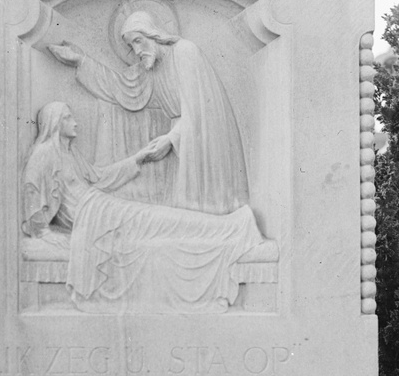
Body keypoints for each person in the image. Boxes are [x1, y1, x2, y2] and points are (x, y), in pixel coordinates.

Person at [21, 101, 262, 313]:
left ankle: (231, 226)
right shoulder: (44, 154)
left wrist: (139, 157)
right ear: (54, 123)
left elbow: (100, 177)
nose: (75, 122)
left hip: (101, 209)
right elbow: (32, 191)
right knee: (159, 220)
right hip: (93, 216)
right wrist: (44, 233)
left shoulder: (69, 153)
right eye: (67, 117)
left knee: (160, 218)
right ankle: (231, 226)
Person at [48, 10, 249, 216]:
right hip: (182, 138)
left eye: (138, 40)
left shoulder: (185, 52)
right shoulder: (152, 68)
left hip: (202, 139)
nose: (136, 50)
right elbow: (121, 88)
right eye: (131, 45)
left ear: (153, 35)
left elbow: (200, 111)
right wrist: (81, 61)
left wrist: (171, 139)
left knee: (202, 209)